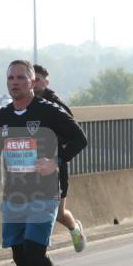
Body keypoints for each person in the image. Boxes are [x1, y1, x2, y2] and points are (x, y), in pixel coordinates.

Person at [0, 60, 88, 266]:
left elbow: (79, 139)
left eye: (20, 78)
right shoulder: (0, 116)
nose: (14, 82)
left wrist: (57, 160)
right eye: (10, 78)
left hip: (45, 191)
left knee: (34, 250)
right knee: (19, 256)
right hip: (14, 194)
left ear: (32, 82)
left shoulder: (49, 112)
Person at [32, 64, 87, 252]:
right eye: (31, 79)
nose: (34, 83)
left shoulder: (56, 107)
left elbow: (76, 137)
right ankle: (37, 250)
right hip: (31, 167)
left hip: (55, 165)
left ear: (46, 82)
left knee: (59, 213)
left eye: (38, 80)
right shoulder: (22, 105)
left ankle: (75, 229)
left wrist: (57, 157)